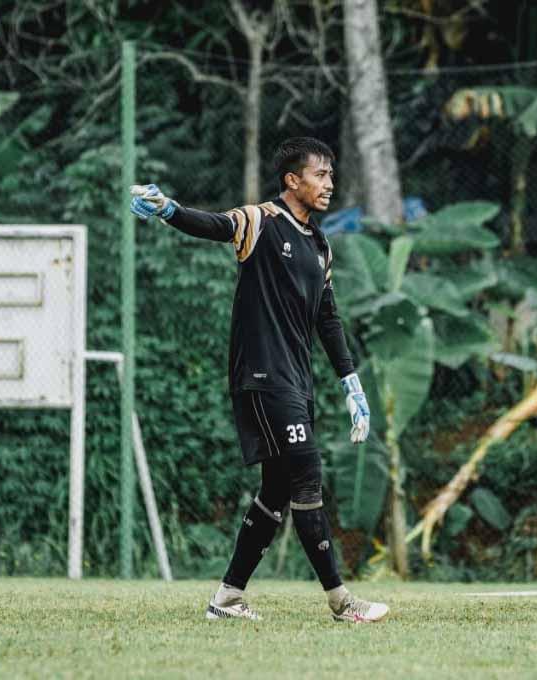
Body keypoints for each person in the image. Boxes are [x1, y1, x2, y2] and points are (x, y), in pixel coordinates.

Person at [130, 137, 389, 623]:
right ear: (293, 180)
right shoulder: (260, 220)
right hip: (263, 377)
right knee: (307, 475)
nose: (329, 183)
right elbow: (214, 225)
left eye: (331, 175)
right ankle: (341, 603)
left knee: (276, 489)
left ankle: (227, 598)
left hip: (295, 382)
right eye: (320, 175)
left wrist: (351, 382)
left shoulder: (319, 244)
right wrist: (169, 210)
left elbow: (327, 319)